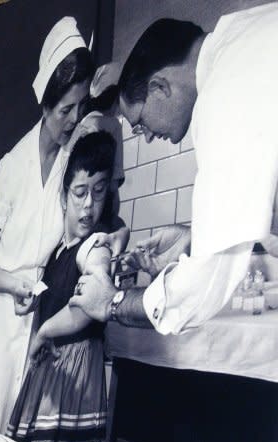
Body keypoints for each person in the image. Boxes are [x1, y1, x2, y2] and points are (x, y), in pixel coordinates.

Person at [69, 5, 278, 333]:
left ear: (159, 88)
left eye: (139, 124)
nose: (149, 137)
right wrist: (195, 240)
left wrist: (112, 301)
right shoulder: (241, 36)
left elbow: (204, 286)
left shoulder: (223, 97)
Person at [0, 16, 97, 432]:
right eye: (66, 109)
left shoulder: (70, 158)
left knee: (10, 439)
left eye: (81, 106)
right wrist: (16, 284)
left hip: (33, 319)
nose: (74, 118)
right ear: (45, 105)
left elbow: (75, 229)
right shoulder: (12, 167)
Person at [6, 131, 120, 442]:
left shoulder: (95, 246)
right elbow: (58, 292)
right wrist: (32, 296)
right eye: (80, 193)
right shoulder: (58, 251)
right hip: (50, 370)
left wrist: (43, 334)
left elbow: (85, 307)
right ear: (64, 197)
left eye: (98, 192)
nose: (89, 205)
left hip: (75, 373)